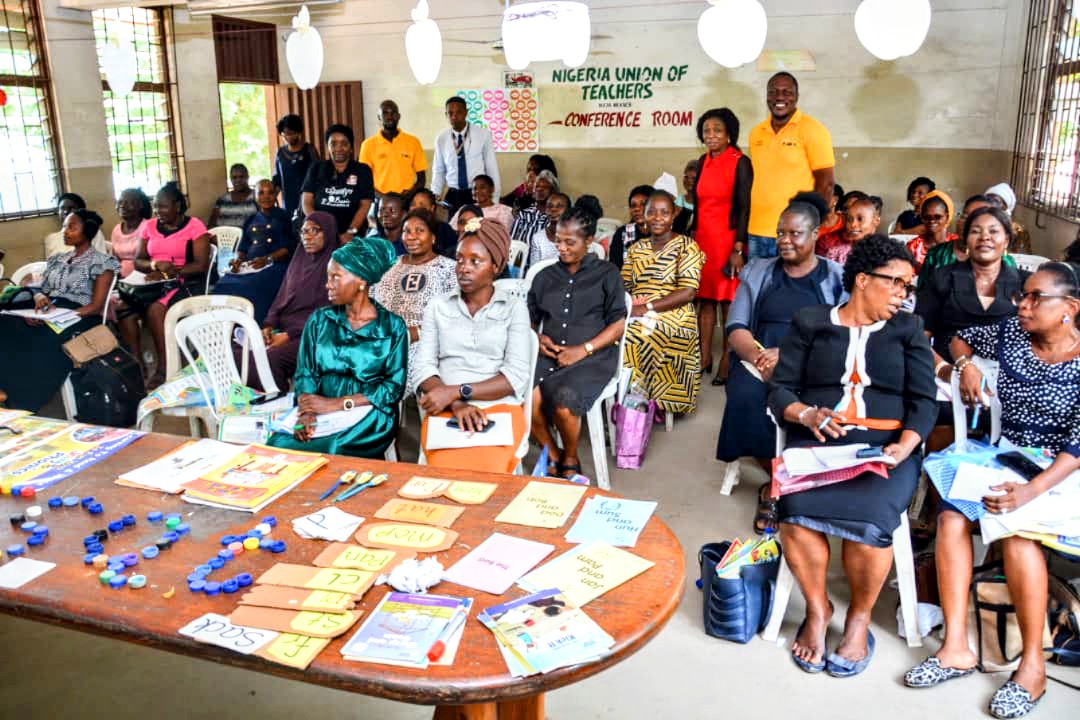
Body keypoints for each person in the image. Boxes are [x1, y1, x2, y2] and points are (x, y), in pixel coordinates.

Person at [907, 263, 1080, 719]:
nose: (1021, 305)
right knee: (950, 517)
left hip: (1061, 471)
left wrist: (1029, 492)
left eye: (1035, 298)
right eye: (1022, 295)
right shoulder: (1011, 332)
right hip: (1003, 456)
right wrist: (965, 366)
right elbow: (959, 337)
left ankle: (1032, 667)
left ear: (1070, 308)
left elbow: (1077, 447)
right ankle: (956, 648)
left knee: (1017, 534)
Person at [768, 234, 936, 678]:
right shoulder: (810, 322)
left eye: (908, 287)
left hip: (886, 452)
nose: (903, 294)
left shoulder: (908, 330)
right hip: (822, 444)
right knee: (794, 509)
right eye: (896, 283)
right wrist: (806, 414)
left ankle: (859, 618)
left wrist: (908, 442)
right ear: (863, 280)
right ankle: (819, 610)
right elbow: (780, 390)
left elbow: (924, 400)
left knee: (870, 522)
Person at [718, 194, 846, 533]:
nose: (784, 241)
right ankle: (777, 483)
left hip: (816, 363)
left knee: (820, 406)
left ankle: (786, 482)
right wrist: (761, 358)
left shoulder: (836, 277)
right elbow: (737, 327)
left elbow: (844, 333)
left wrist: (789, 357)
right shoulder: (758, 271)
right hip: (759, 359)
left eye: (794, 233)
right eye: (780, 233)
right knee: (745, 400)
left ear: (815, 234)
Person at [268, 237, 407, 458]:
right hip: (318, 410)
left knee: (332, 449)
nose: (327, 284)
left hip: (368, 411)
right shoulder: (320, 320)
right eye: (327, 277)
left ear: (361, 280)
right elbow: (306, 373)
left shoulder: (392, 326)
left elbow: (393, 388)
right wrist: (306, 412)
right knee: (278, 444)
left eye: (335, 277)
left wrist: (338, 404)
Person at [414, 218, 532, 474]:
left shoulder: (514, 308)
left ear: (496, 266)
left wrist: (456, 392)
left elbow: (514, 378)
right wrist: (456, 404)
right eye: (459, 259)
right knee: (446, 470)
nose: (463, 268)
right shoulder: (438, 306)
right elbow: (422, 366)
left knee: (489, 470)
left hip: (499, 409)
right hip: (447, 409)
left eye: (475, 261)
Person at [529, 205, 627, 479]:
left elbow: (618, 324)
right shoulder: (544, 277)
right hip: (549, 353)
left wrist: (582, 350)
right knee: (527, 395)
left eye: (569, 242)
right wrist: (536, 338)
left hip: (594, 355)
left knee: (564, 400)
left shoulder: (607, 274)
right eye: (558, 240)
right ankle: (553, 453)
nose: (561, 247)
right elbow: (527, 319)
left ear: (589, 242)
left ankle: (570, 455)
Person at [915, 206, 1026, 446]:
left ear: (1006, 239)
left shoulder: (1023, 283)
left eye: (993, 231)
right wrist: (945, 370)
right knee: (939, 418)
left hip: (1007, 379)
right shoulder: (943, 277)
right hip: (945, 374)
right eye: (976, 231)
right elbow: (919, 337)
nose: (985, 237)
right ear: (966, 239)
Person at [0, 209, 119, 411]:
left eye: (72, 227)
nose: (65, 231)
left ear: (88, 230)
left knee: (44, 340)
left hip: (81, 316)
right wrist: (39, 298)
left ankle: (21, 400)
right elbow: (42, 289)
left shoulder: (101, 263)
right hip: (51, 309)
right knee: (7, 326)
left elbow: (96, 306)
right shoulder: (58, 260)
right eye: (64, 226)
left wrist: (62, 316)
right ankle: (3, 386)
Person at [117, 182, 212, 388]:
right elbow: (138, 261)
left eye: (163, 206)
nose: (158, 211)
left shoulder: (195, 227)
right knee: (123, 307)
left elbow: (200, 265)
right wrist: (154, 266)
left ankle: (165, 365)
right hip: (152, 282)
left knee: (155, 310)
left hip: (185, 282)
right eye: (156, 206)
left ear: (177, 206)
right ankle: (137, 364)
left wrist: (170, 271)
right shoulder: (150, 226)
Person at [622, 191, 706, 417]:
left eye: (664, 212)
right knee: (613, 333)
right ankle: (625, 398)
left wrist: (646, 308)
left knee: (641, 334)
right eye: (652, 212)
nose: (657, 218)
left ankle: (659, 401)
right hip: (638, 308)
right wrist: (630, 302)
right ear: (644, 216)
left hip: (674, 311)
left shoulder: (687, 247)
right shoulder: (636, 249)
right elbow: (624, 284)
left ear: (673, 215)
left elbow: (688, 292)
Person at [690, 108, 752, 384]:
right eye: (706, 130)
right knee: (704, 301)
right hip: (703, 239)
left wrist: (738, 249)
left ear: (729, 134)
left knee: (727, 301)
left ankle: (727, 358)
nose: (711, 135)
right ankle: (704, 356)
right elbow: (698, 204)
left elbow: (744, 208)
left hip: (728, 240)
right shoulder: (703, 161)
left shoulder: (740, 162)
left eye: (717, 130)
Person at [747, 72, 835, 259]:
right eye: (773, 92)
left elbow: (826, 183)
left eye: (787, 92)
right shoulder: (756, 133)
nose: (779, 97)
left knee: (791, 287)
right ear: (767, 96)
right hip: (757, 228)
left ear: (796, 96)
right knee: (757, 286)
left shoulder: (813, 130)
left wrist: (812, 224)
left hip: (795, 232)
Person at [371, 208, 457, 393]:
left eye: (419, 230)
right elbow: (369, 304)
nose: (411, 237)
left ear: (433, 237)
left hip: (423, 342)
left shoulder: (448, 269)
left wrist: (415, 332)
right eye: (407, 231)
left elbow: (454, 316)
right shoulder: (389, 265)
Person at [257, 212, 336, 392]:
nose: (307, 236)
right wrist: (268, 326)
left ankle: (285, 408)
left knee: (271, 360)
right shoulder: (298, 260)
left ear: (329, 232)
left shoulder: (336, 266)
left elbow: (328, 314)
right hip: (286, 330)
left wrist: (289, 335)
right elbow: (281, 296)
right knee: (241, 349)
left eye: (315, 231)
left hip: (317, 334)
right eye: (304, 231)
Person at [212, 179, 294, 324]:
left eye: (270, 193)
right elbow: (243, 248)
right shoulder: (251, 219)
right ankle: (226, 327)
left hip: (275, 266)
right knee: (223, 283)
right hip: (250, 265)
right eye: (261, 193)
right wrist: (237, 260)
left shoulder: (284, 217)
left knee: (250, 285)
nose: (266, 197)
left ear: (276, 195)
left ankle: (256, 326)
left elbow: (287, 249)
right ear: (255, 196)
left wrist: (266, 260)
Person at [301, 124, 375, 244]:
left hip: (351, 236)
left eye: (344, 143)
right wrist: (319, 229)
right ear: (328, 147)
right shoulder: (316, 168)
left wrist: (350, 233)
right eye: (333, 144)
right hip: (319, 234)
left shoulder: (363, 170)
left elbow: (365, 206)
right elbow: (306, 202)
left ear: (351, 147)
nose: (339, 148)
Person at [919, 194, 1017, 278]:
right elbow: (922, 293)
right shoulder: (937, 254)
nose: (968, 223)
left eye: (978, 218)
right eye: (965, 216)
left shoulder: (1006, 263)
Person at [431, 96, 501, 213]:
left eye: (459, 112)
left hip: (476, 193)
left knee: (477, 228)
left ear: (466, 113)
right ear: (446, 115)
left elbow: (491, 168)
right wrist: (434, 194)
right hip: (454, 195)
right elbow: (439, 170)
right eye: (450, 113)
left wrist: (495, 198)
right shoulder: (441, 139)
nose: (454, 116)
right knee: (454, 229)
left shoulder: (483, 134)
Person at [359, 99, 427, 197]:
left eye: (393, 113)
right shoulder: (368, 145)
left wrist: (409, 195)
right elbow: (364, 181)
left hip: (407, 200)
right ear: (379, 117)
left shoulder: (413, 142)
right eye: (385, 113)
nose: (390, 117)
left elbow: (422, 180)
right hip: (380, 201)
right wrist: (383, 198)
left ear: (399, 116)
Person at [271, 114, 319, 219]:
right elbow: (277, 180)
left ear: (299, 132)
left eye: (291, 133)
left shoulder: (309, 150)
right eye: (284, 134)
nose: (288, 137)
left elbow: (318, 176)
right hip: (287, 204)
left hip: (308, 202)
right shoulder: (280, 153)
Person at [815, 195, 881, 266]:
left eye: (860, 219)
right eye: (849, 219)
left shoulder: (882, 249)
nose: (853, 224)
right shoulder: (827, 241)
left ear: (876, 221)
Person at [43, 193, 109, 258]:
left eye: (71, 208)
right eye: (62, 208)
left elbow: (101, 258)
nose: (66, 212)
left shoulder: (92, 232)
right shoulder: (51, 239)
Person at [907, 190, 956, 271]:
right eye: (927, 217)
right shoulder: (913, 247)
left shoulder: (956, 244)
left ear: (947, 217)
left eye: (938, 217)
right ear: (922, 217)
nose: (932, 221)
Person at [608, 185, 654, 269]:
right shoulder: (622, 234)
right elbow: (614, 269)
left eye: (643, 204)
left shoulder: (665, 235)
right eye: (633, 205)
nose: (637, 209)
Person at [110, 188, 152, 279]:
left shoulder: (149, 227)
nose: (122, 206)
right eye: (120, 202)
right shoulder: (116, 230)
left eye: (127, 202)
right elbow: (114, 260)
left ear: (140, 205)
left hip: (145, 278)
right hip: (122, 280)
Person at [510, 170, 557, 246]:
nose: (539, 189)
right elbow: (512, 242)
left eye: (544, 187)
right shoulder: (523, 214)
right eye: (537, 186)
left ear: (553, 192)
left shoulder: (556, 217)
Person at [409, 188, 459, 257]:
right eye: (413, 204)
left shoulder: (444, 229)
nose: (416, 208)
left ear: (432, 208)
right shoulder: (403, 229)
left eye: (421, 205)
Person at [985, 182, 1033, 254]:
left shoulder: (1019, 232)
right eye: (988, 201)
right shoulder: (976, 224)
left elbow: (1022, 259)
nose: (991, 206)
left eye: (996, 203)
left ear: (1005, 209)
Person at [209, 164, 257, 229]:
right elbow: (212, 224)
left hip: (249, 237)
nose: (238, 180)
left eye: (241, 177)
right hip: (225, 238)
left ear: (247, 177)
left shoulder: (257, 197)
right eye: (234, 177)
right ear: (231, 179)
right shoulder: (222, 200)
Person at [529, 191, 571, 267]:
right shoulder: (538, 238)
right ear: (545, 210)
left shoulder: (576, 237)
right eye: (549, 206)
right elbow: (534, 269)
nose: (553, 209)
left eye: (559, 206)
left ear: (568, 210)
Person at [673, 158, 699, 235]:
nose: (689, 181)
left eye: (694, 178)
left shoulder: (704, 203)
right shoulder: (678, 201)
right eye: (686, 177)